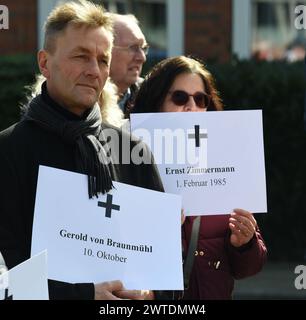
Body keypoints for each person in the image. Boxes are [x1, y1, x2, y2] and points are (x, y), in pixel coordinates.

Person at [0, 0, 170, 300]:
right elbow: (7, 276)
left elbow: (167, 279)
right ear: (44, 63)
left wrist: (150, 294)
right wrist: (81, 296)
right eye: (81, 56)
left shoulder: (135, 151)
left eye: (103, 60)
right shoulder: (9, 151)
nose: (94, 71)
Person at [131, 56, 267, 299]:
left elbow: (249, 268)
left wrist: (244, 243)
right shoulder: (129, 160)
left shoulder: (226, 162)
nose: (191, 106)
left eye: (200, 99)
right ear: (157, 100)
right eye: (180, 97)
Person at [109, 14, 148, 115]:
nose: (142, 58)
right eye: (133, 47)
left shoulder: (153, 96)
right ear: (105, 51)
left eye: (143, 48)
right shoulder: (80, 99)